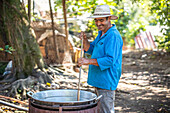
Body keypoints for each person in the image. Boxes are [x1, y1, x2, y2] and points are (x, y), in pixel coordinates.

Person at [78, 5, 123, 113]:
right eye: (96, 20)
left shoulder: (113, 36)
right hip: (99, 80)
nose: (98, 23)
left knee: (106, 110)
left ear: (109, 18)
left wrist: (87, 61)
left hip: (106, 81)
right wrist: (84, 40)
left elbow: (110, 60)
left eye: (101, 20)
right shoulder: (102, 33)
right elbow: (91, 49)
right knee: (100, 109)